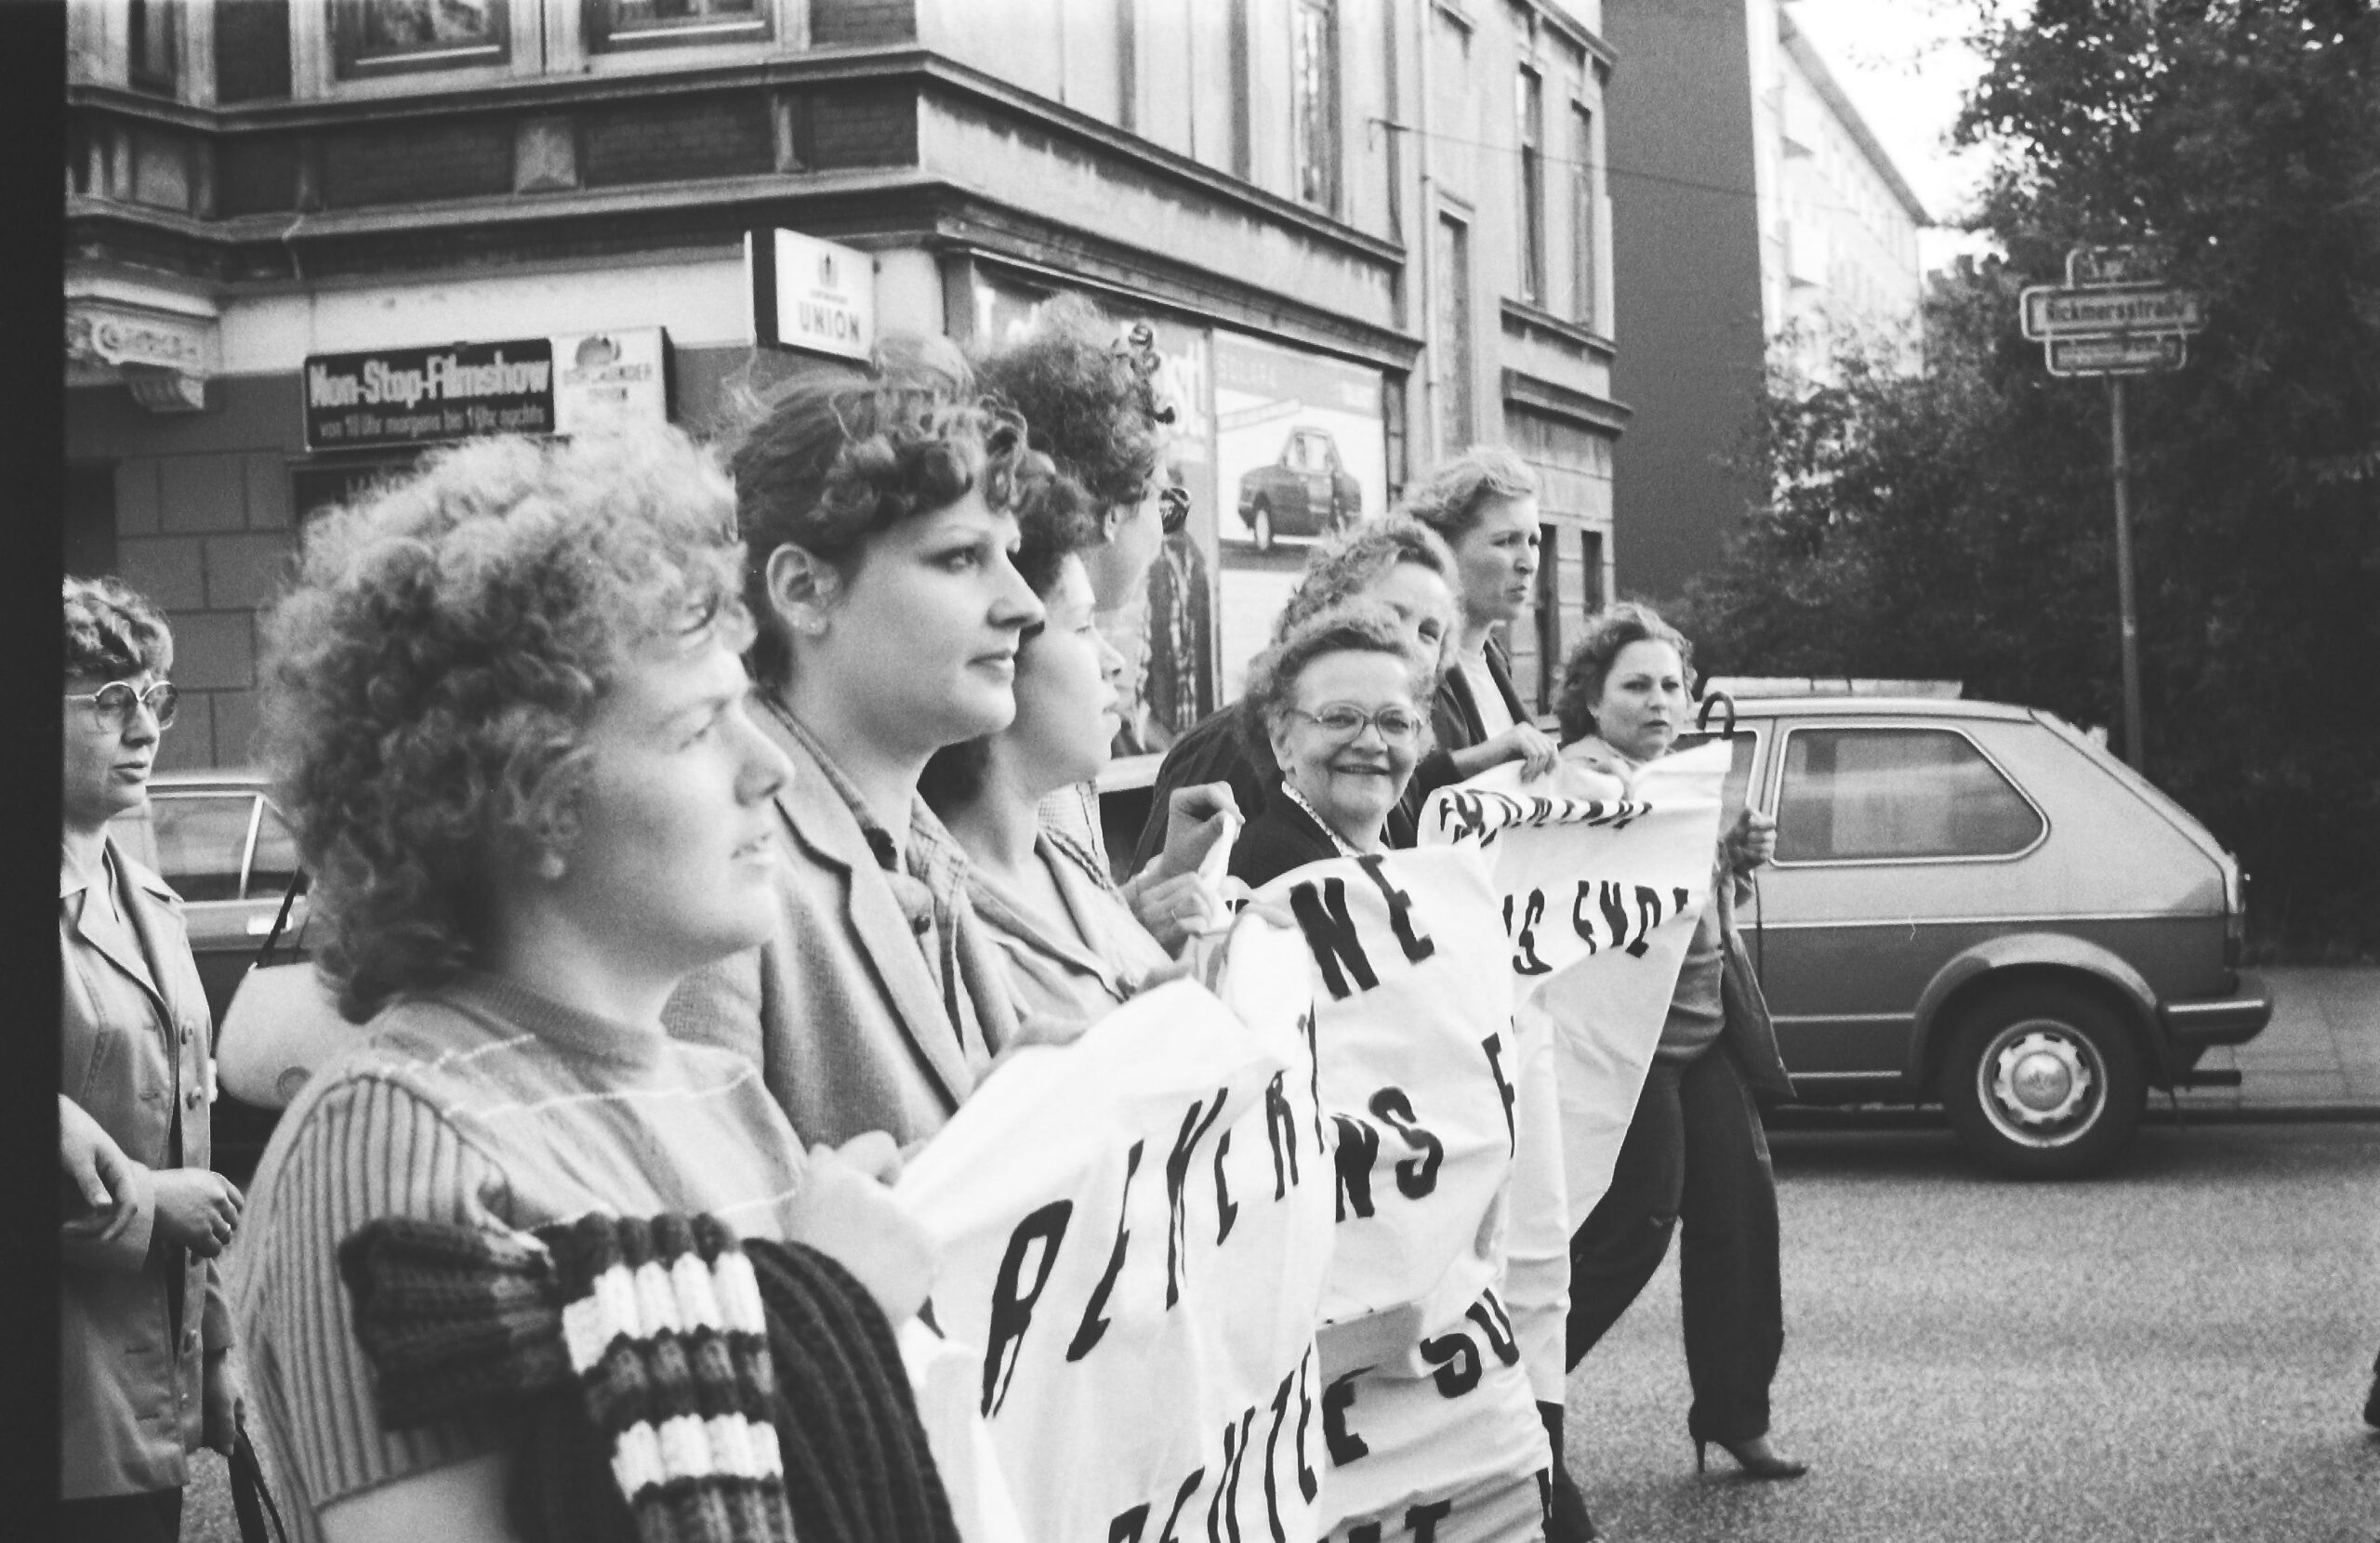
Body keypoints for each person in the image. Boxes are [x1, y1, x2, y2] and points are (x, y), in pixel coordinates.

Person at [233, 427, 931, 1541]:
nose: (772, 767)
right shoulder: (399, 1137)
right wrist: (821, 1307)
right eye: (700, 725)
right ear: (522, 787)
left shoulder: (726, 1097)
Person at [662, 352, 1048, 1150]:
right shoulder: (721, 862)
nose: (1024, 604)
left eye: (1008, 554)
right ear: (803, 591)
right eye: (959, 558)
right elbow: (716, 1228)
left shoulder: (918, 847)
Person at [1553, 602, 1806, 1482]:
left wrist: (1729, 860)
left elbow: (1684, 919)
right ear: (1589, 697)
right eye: (1637, 685)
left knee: (1740, 1225)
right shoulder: (1578, 783)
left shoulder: (1677, 781)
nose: (1661, 700)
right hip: (1633, 1050)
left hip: (1702, 1036)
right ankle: (1504, 1399)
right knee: (1635, 1228)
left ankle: (1736, 1415)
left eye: (1673, 684)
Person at [60, 574, 243, 1543]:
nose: (145, 728)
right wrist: (146, 1198)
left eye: (153, 699)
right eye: (108, 700)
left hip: (147, 1395)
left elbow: (186, 1119)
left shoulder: (153, 906)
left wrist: (214, 1345)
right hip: (59, 1399)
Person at [918, 474, 1236, 1023]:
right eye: (1084, 626)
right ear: (1002, 655)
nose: (1112, 659)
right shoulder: (945, 932)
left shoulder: (1062, 862)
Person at [1130, 516, 1460, 872]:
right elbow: (1164, 900)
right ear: (1326, 612)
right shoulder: (1228, 745)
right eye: (1386, 617)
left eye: (1429, 632)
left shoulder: (1389, 756)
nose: (1406, 642)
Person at [972, 297, 1178, 864]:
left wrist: (1135, 917)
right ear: (1113, 511)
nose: (1164, 537)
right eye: (1166, 503)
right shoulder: (1041, 696)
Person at [1226, 605, 1435, 888]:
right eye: (1340, 718)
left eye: (1395, 722)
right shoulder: (1277, 874)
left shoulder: (1370, 858)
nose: (1372, 743)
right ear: (1282, 741)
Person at [1401, 446, 1563, 813]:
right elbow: (1391, 787)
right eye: (1506, 541)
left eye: (1534, 541)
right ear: (1442, 548)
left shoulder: (1493, 659)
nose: (1528, 563)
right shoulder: (1410, 663)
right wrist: (1480, 759)